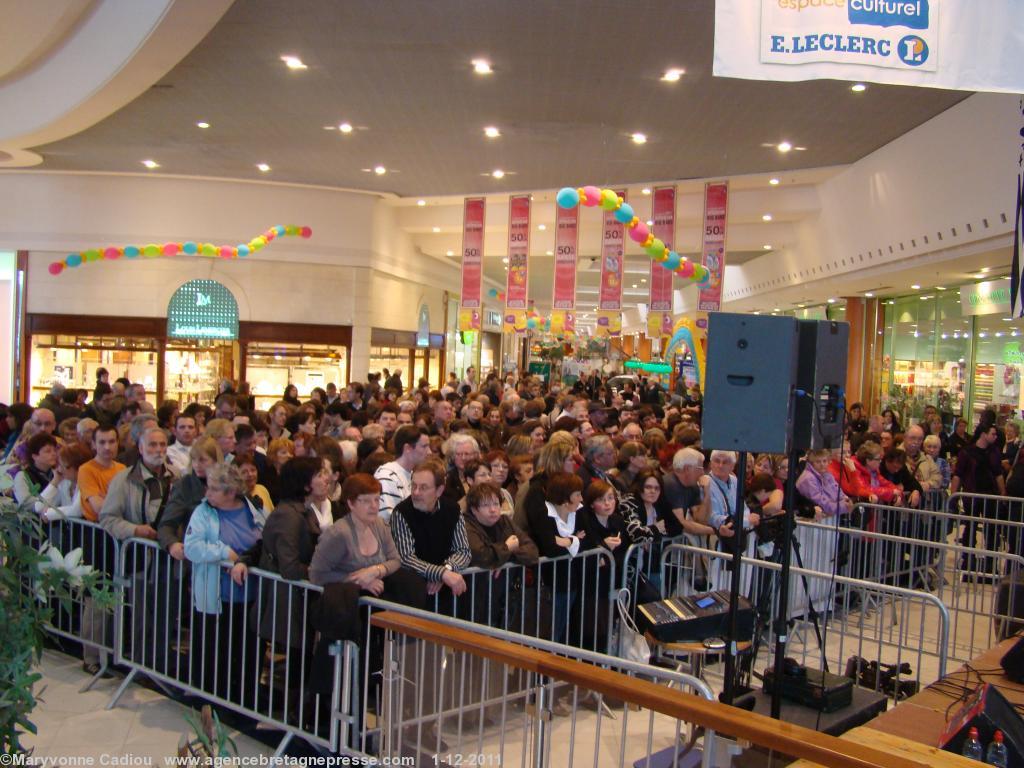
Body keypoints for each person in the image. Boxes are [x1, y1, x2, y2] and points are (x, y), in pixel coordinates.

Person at [183, 463, 266, 706]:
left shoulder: (253, 509)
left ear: (230, 492)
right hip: (217, 594)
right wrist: (223, 552)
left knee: (246, 651)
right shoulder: (203, 512)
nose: (207, 494)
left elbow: (264, 540)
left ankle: (244, 699)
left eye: (213, 489)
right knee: (214, 650)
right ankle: (211, 699)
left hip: (249, 595)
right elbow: (192, 547)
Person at [390, 461, 472, 613]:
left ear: (439, 490)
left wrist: (446, 570)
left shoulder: (452, 509)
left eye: (423, 487)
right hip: (413, 596)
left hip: (449, 597)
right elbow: (406, 558)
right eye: (413, 486)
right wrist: (441, 574)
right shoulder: (401, 513)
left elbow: (463, 551)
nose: (415, 492)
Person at [158, 438, 223, 560]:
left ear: (215, 461)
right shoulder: (184, 485)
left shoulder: (226, 484)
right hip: (195, 555)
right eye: (193, 459)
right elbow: (167, 524)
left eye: (203, 460)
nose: (197, 465)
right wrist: (172, 544)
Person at [374, 426, 430, 523]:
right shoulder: (387, 474)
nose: (429, 452)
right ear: (407, 448)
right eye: (424, 446)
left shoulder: (413, 475)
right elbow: (387, 518)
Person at [13, 433, 58, 504]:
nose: (54, 454)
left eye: (55, 450)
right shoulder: (22, 476)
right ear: (34, 456)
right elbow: (25, 503)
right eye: (48, 451)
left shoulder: (59, 472)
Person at [166, 413, 197, 477]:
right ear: (174, 431)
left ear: (196, 431)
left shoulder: (203, 448)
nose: (187, 430)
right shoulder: (169, 451)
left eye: (190, 427)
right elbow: (182, 473)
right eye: (182, 427)